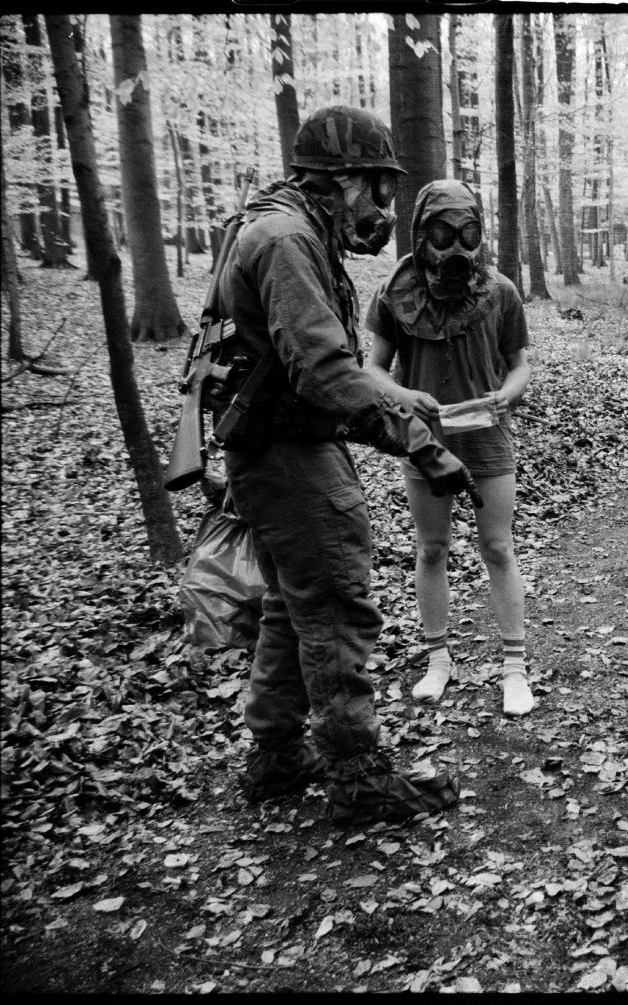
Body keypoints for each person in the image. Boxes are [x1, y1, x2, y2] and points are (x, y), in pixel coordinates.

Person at [216, 105, 471, 826]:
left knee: (290, 607)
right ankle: (357, 773)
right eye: (380, 189)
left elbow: (315, 358)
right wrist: (419, 443)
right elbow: (322, 370)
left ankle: (275, 757)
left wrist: (394, 396)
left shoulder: (277, 226)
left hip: (275, 447)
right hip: (289, 454)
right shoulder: (287, 239)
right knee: (331, 602)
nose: (385, 208)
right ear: (341, 181)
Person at [364, 179, 535, 716]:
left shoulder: (501, 292)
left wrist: (509, 393)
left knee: (498, 548)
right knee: (431, 548)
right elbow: (371, 367)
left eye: (468, 233)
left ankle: (515, 669)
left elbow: (520, 362)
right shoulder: (395, 293)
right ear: (421, 233)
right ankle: (438, 661)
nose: (456, 246)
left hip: (487, 439)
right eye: (443, 233)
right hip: (425, 443)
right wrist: (401, 394)